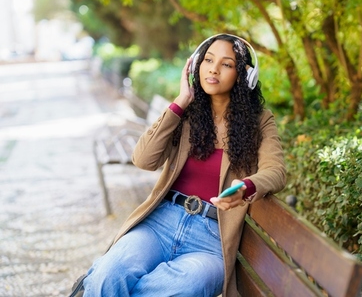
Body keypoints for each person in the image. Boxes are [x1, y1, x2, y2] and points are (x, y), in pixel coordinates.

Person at [80, 33, 286, 297]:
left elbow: (276, 171)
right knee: (109, 274)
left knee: (185, 285)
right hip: (160, 224)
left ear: (245, 75)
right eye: (208, 60)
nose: (213, 68)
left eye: (226, 64)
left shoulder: (260, 121)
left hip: (211, 239)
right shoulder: (186, 114)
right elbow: (143, 160)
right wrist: (180, 102)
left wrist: (246, 186)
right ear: (196, 66)